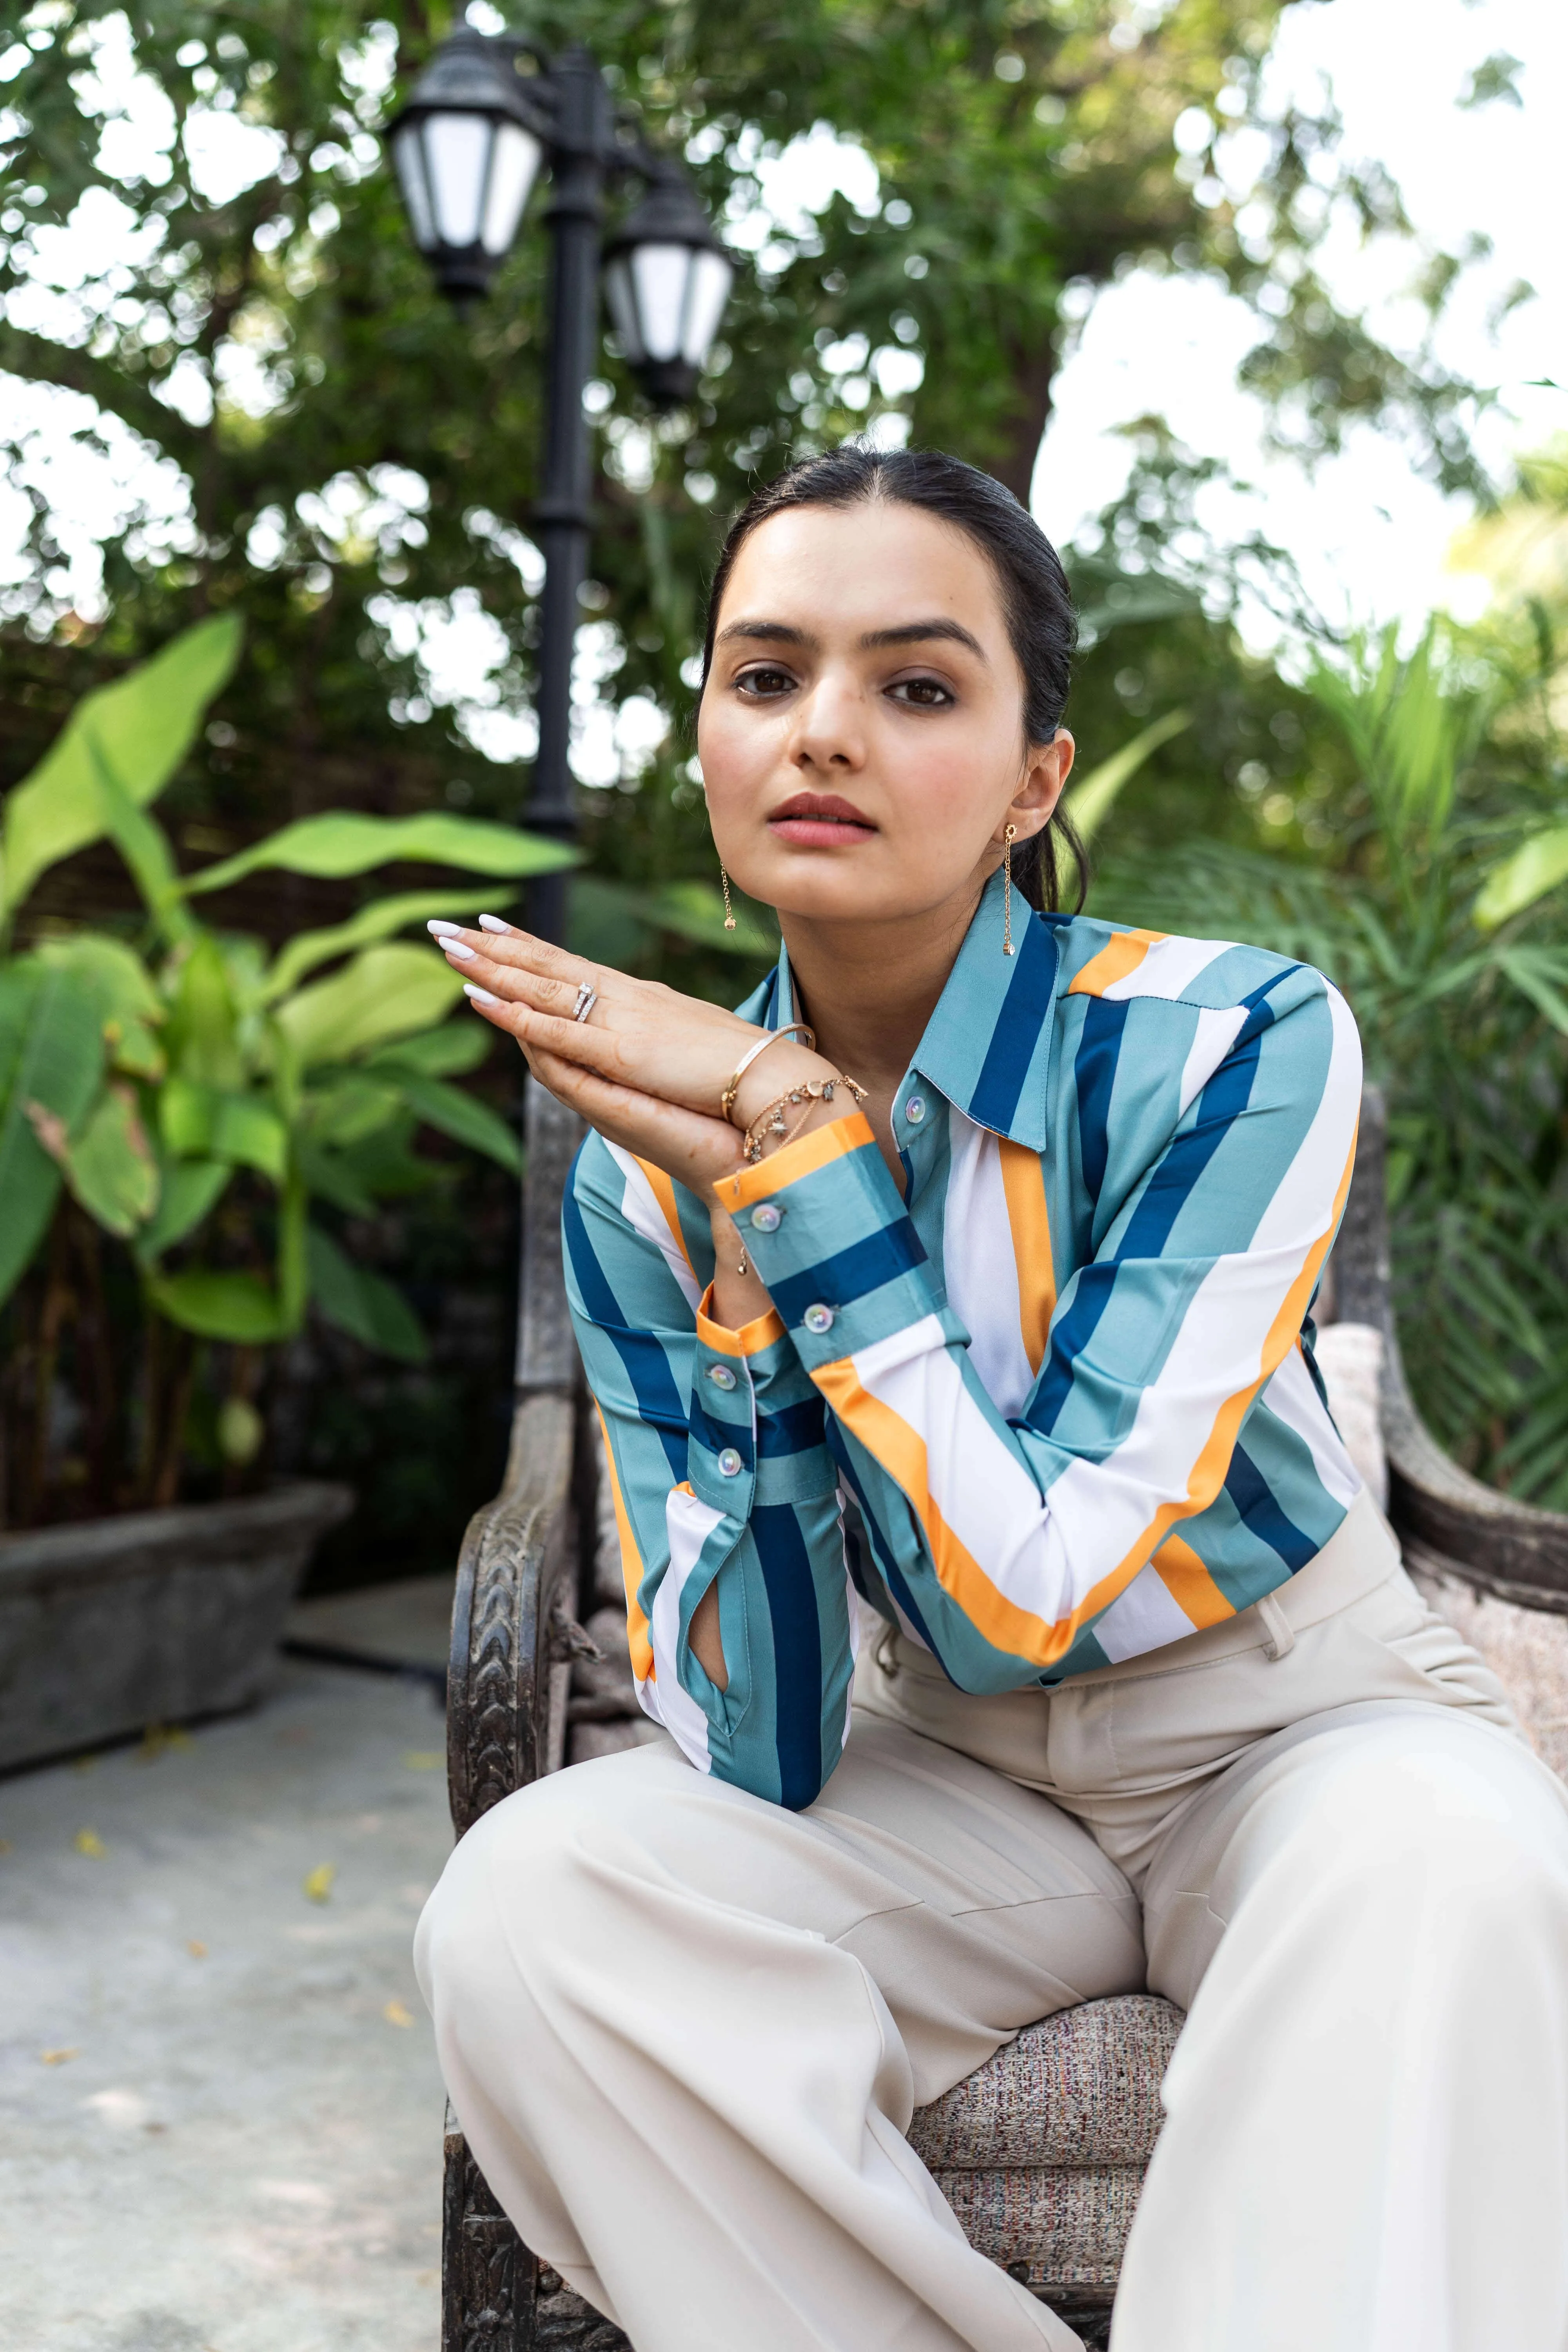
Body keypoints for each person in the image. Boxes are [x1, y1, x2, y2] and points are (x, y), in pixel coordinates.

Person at [414, 446, 1568, 2352]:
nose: (825, 735)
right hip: (926, 1764)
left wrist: (801, 1166)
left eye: (919, 685)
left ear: (1036, 779)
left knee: (1464, 1872)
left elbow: (1031, 1576)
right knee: (526, 1907)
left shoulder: (1232, 1045)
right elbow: (760, 1739)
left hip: (1282, 1717)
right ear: (705, 737)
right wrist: (736, 1301)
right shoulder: (634, 1173)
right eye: (765, 675)